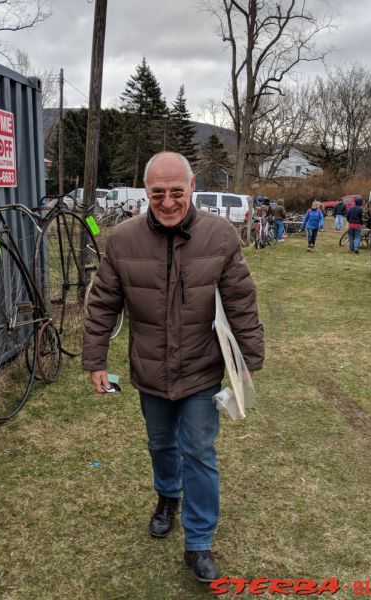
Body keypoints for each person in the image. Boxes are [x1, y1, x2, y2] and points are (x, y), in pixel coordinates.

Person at [82, 152, 264, 583]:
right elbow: (102, 304)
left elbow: (241, 300)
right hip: (149, 369)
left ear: (192, 187)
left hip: (202, 368)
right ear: (146, 192)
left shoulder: (220, 237)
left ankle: (198, 542)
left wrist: (248, 361)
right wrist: (95, 359)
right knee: (161, 445)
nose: (167, 202)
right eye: (157, 193)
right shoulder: (122, 241)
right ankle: (168, 496)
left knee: (199, 451)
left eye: (176, 192)